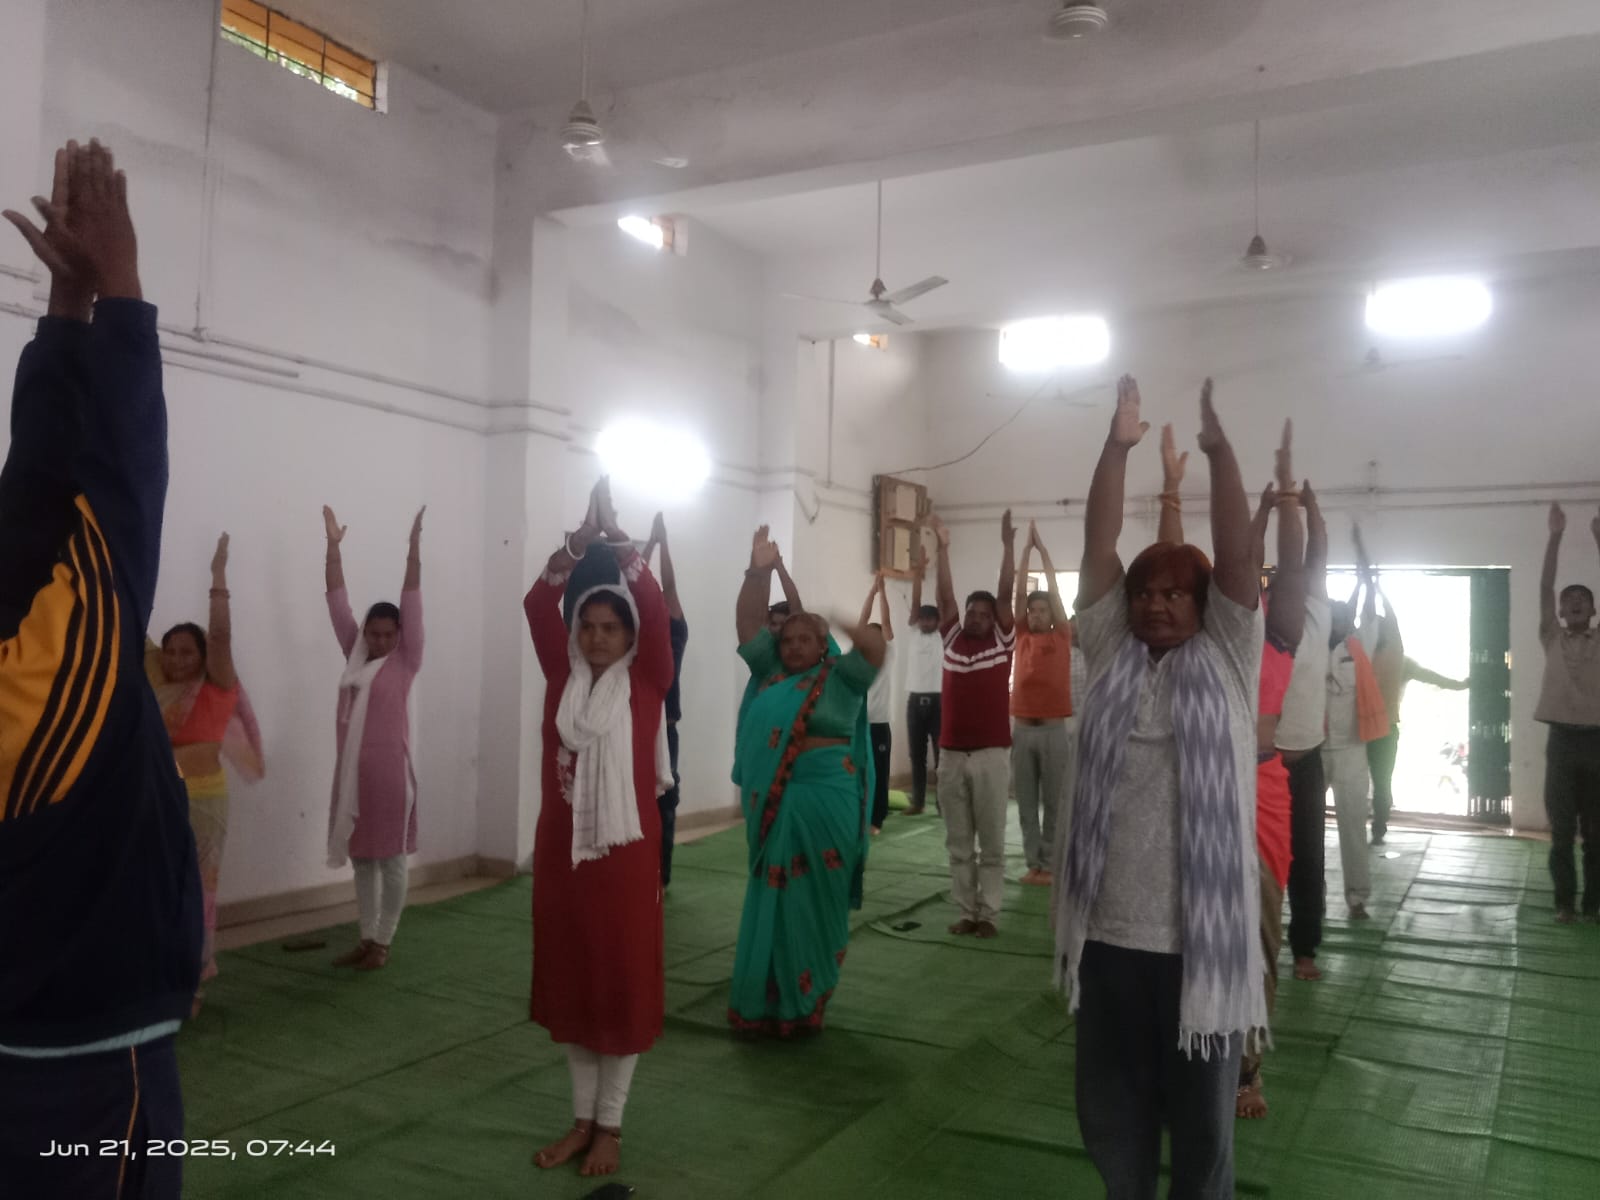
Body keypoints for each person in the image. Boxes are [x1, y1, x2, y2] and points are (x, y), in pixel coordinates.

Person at [1, 138, 201, 1200]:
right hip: (78, 1062)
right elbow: (122, 484)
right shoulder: (40, 684)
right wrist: (117, 290)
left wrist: (69, 315)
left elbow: (36, 491)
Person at [1054, 376, 1266, 1199]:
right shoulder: (1110, 650)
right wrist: (1116, 448)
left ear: (1203, 605)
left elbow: (1240, 558)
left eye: (1175, 593)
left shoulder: (1229, 659)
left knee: (1203, 1133)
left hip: (1199, 944)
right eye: (1145, 593)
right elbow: (1098, 544)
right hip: (1109, 935)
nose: (1154, 604)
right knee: (1112, 1116)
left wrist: (1219, 455)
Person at [1156, 419, 1306, 1122]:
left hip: (1261, 791)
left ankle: (1246, 1067)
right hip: (1196, 788)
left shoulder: (1277, 631)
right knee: (1184, 928)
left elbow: (1291, 569)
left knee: (1257, 936)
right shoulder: (1196, 641)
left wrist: (1287, 501)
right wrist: (1172, 489)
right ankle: (1184, 1047)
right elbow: (1172, 564)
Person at [526, 478, 672, 1177]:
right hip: (562, 860)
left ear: (631, 637)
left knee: (620, 985)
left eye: (610, 628)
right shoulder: (563, 680)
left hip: (624, 862)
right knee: (573, 983)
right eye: (587, 627)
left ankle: (611, 1125)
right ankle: (581, 1122)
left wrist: (619, 543)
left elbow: (656, 609)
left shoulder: (647, 683)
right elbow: (537, 605)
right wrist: (573, 551)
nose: (596, 638)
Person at [729, 526, 885, 1035]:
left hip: (829, 804)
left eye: (805, 639)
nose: (794, 646)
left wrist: (837, 618)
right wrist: (758, 571)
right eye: (788, 639)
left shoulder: (842, 678)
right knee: (774, 898)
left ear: (823, 646)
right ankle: (765, 1003)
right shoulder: (771, 674)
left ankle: (809, 998)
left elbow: (874, 647)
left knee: (820, 898)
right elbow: (747, 623)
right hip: (779, 808)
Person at [147, 532, 265, 1016]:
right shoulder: (155, 679)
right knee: (157, 891)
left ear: (203, 657)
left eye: (187, 652)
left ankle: (193, 985)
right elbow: (122, 624)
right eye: (170, 651)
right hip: (158, 800)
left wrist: (218, 576)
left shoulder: (217, 685)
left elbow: (219, 637)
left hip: (204, 804)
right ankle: (158, 979)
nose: (177, 660)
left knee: (199, 894)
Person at [324, 503, 426, 971]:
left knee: (391, 860)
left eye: (389, 634)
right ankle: (366, 938)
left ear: (400, 635)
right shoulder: (355, 657)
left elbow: (412, 599)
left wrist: (413, 549)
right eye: (374, 633)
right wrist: (332, 548)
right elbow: (337, 603)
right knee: (363, 860)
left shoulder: (405, 661)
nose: (381, 641)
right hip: (353, 779)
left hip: (390, 778)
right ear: (364, 632)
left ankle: (384, 941)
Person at [930, 508, 1017, 938]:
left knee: (993, 842)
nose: (977, 618)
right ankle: (967, 911)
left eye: (984, 613)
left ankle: (990, 914)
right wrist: (943, 548)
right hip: (950, 756)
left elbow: (1005, 593)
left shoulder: (1002, 642)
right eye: (972, 612)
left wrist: (1008, 547)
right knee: (959, 842)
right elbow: (945, 596)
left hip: (990, 756)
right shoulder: (952, 639)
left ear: (994, 619)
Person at [1363, 582, 1470, 845]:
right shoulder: (1391, 659)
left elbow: (1432, 677)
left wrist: (1372, 588)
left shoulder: (1366, 657)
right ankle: (1378, 828)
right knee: (1381, 781)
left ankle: (1375, 826)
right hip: (1381, 730)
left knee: (1373, 782)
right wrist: (1376, 589)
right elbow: (1433, 677)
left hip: (1365, 730)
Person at [1276, 484, 1332, 983]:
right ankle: (1252, 942)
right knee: (1258, 857)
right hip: (1260, 762)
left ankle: (1305, 949)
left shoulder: (1317, 613)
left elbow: (1316, 556)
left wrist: (1310, 509)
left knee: (1308, 858)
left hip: (1307, 762)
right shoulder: (1253, 624)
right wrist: (1267, 513)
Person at [1321, 529, 1391, 921]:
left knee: (1352, 826)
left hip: (1351, 751)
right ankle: (1310, 895)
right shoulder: (1309, 646)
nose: (1341, 620)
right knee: (1306, 830)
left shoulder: (1361, 642)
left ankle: (1357, 897)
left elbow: (1368, 602)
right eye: (1334, 615)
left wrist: (1364, 569)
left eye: (1344, 615)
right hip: (1312, 749)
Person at [1535, 503, 1600, 924]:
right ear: (1559, 612)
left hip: (1597, 743)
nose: (1575, 603)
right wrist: (1555, 536)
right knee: (1561, 832)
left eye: (1583, 599)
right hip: (1560, 742)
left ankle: (1594, 905)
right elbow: (1545, 588)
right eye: (1568, 600)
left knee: (1596, 833)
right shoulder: (1551, 637)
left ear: (1593, 610)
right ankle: (1564, 903)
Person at [1011, 521, 1074, 886]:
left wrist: (1044, 552)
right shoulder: (1021, 634)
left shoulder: (1062, 634)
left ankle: (1049, 864)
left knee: (1053, 801)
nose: (1036, 614)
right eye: (1032, 610)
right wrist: (1025, 553)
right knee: (1025, 802)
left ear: (1052, 615)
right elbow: (1019, 593)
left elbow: (1055, 594)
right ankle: (1032, 862)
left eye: (1042, 610)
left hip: (1052, 731)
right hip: (1022, 730)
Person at [642, 512, 689, 886]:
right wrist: (649, 545)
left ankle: (663, 872)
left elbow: (669, 585)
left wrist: (663, 543)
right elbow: (628, 583)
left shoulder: (675, 631)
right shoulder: (634, 633)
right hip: (639, 724)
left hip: (666, 729)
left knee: (666, 798)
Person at [904, 546, 943, 815]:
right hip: (915, 701)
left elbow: (942, 601)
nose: (926, 623)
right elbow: (916, 601)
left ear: (938, 622)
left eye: (931, 620)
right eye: (923, 619)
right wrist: (918, 572)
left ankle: (942, 804)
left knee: (942, 757)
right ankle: (917, 802)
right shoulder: (913, 634)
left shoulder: (943, 638)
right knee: (916, 755)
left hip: (940, 702)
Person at [859, 572, 895, 834]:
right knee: (858, 771)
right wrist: (871, 593)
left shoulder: (887, 654)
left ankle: (876, 819)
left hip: (879, 724)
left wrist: (882, 593)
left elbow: (886, 623)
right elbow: (861, 623)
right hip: (858, 723)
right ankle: (859, 814)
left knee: (880, 773)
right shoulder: (858, 657)